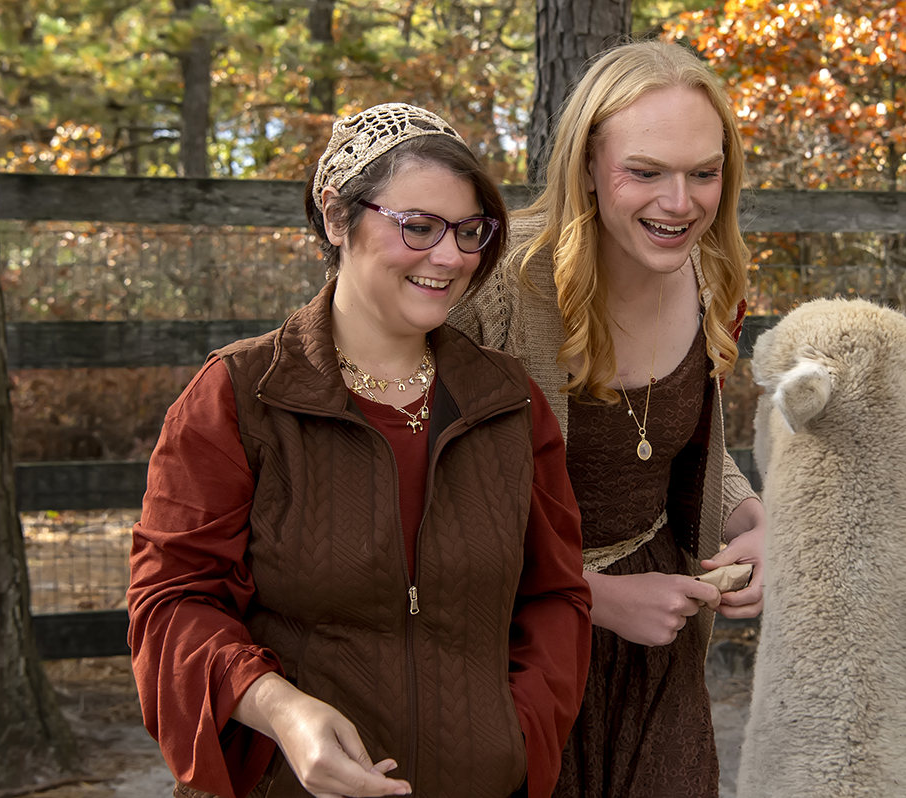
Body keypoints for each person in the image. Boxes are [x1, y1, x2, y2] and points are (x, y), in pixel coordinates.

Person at [128, 103, 593, 798]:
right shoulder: (236, 396)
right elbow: (171, 605)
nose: (450, 258)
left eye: (469, 232)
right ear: (337, 217)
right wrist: (280, 709)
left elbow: (556, 597)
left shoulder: (509, 402)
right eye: (419, 227)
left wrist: (517, 738)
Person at [449, 41, 766, 797]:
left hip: (658, 645)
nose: (680, 203)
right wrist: (589, 596)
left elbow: (674, 449)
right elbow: (417, 503)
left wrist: (756, 518)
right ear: (587, 166)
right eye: (646, 172)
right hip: (507, 649)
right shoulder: (496, 289)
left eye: (704, 172)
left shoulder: (711, 278)